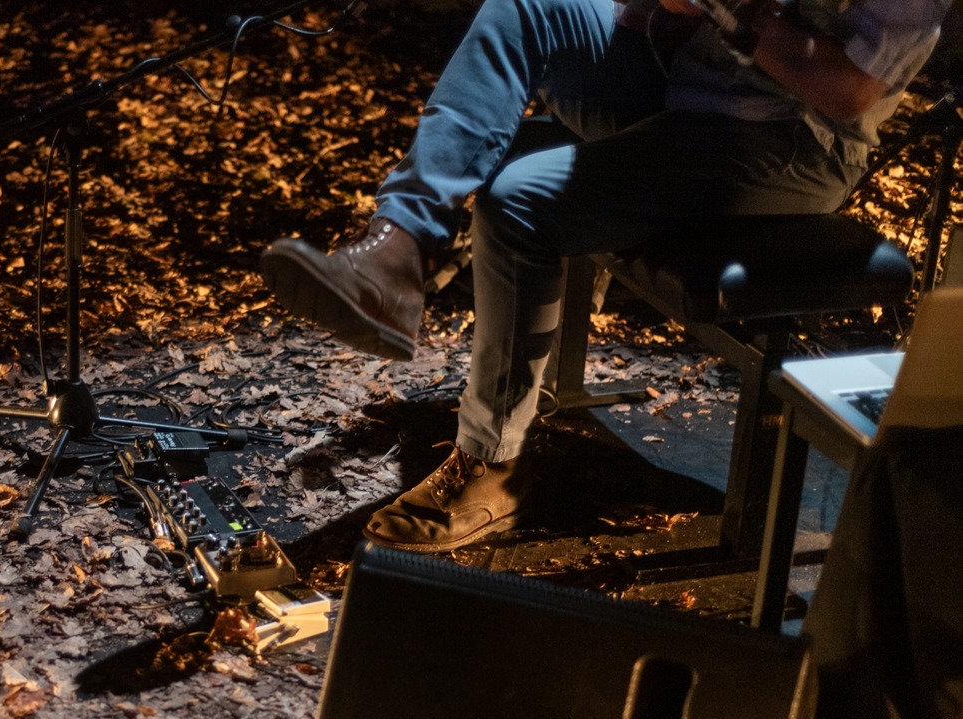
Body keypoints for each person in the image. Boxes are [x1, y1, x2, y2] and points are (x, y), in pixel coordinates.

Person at [259, 0, 947, 553]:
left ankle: (492, 464)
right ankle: (397, 247)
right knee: (525, 8)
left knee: (520, 199)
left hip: (788, 141)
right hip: (683, 79)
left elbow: (847, 89)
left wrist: (733, 11)